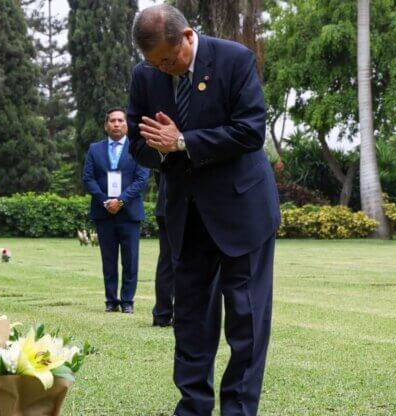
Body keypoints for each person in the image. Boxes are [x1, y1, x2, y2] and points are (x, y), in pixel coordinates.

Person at [127, 5, 281, 416]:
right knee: (192, 319)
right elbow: (137, 145)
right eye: (154, 62)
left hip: (243, 211)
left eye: (168, 59)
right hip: (187, 215)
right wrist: (160, 150)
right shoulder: (145, 76)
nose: (163, 69)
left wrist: (183, 142)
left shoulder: (234, 60)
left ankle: (239, 409)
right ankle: (192, 407)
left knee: (246, 321)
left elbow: (250, 131)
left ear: (188, 37)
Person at [83, 108, 150, 314]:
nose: (117, 124)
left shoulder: (138, 148)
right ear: (106, 125)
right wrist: (106, 201)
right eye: (112, 121)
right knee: (109, 260)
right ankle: (111, 300)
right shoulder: (95, 149)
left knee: (130, 260)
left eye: (121, 120)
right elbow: (88, 178)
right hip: (104, 213)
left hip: (129, 213)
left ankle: (127, 301)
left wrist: (120, 201)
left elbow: (141, 179)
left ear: (126, 124)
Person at [151, 173, 174, 327]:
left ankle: (162, 313)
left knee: (166, 261)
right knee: (188, 260)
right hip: (182, 204)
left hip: (164, 204)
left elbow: (158, 171)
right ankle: (182, 313)